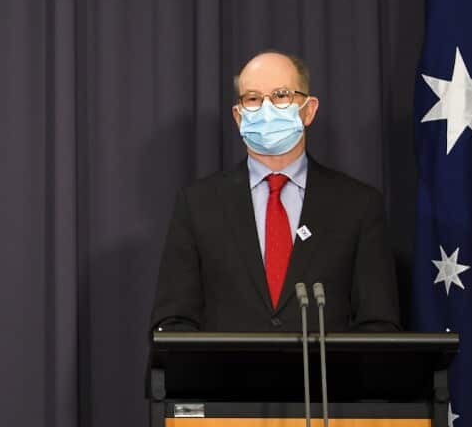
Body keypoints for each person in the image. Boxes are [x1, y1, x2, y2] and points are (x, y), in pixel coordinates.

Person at [150, 51, 400, 332]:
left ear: (309, 110)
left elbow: (378, 324)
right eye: (253, 99)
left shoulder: (358, 206)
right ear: (238, 116)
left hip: (323, 376)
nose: (266, 109)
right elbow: (173, 322)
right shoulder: (198, 204)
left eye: (281, 95)